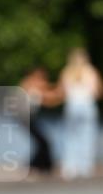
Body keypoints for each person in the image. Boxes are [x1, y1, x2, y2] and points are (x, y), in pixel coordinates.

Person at [48, 49, 102, 179]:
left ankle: (70, 168)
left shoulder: (67, 72)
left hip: (72, 106)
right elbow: (98, 92)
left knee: (71, 137)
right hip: (87, 105)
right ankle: (85, 167)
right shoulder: (91, 71)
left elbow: (60, 93)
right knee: (87, 136)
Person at [18, 67, 55, 175]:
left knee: (42, 142)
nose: (44, 80)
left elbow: (48, 99)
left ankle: (41, 166)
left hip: (29, 117)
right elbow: (49, 97)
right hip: (27, 117)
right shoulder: (30, 83)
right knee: (43, 142)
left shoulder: (31, 84)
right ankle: (39, 166)